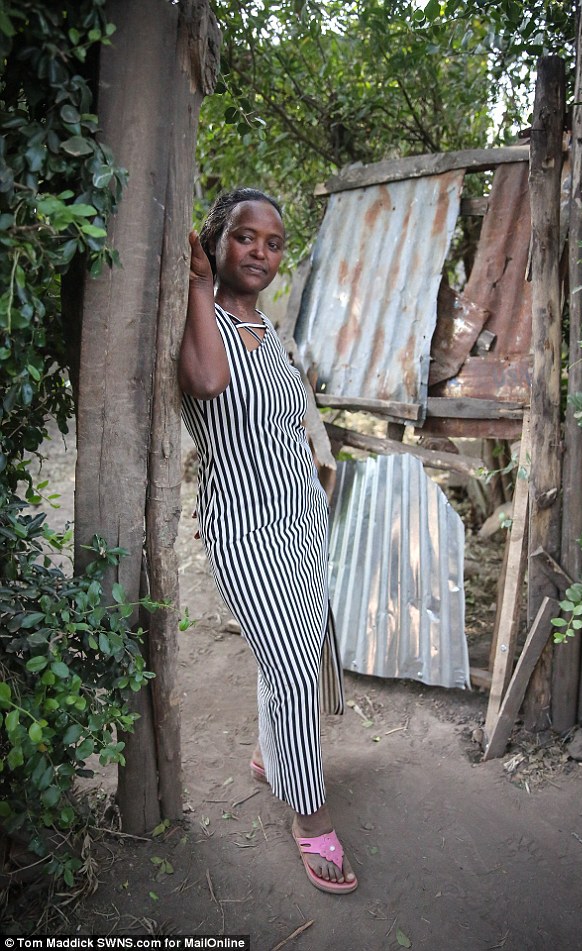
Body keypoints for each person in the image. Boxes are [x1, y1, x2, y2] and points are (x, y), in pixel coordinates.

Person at [178, 187, 357, 894]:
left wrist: (317, 488)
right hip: (244, 522)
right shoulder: (203, 320)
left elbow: (292, 422)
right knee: (290, 666)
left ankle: (270, 755)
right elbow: (205, 381)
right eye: (246, 237)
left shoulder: (269, 330)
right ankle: (311, 819)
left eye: (274, 243)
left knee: (299, 650)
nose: (260, 252)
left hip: (301, 516)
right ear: (217, 240)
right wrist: (199, 286)